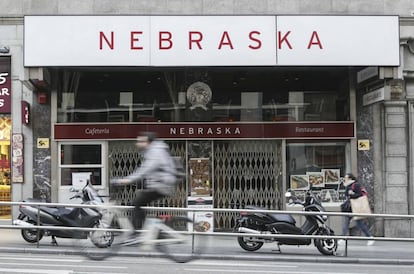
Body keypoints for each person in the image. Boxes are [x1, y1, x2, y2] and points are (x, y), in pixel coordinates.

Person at [111, 132, 176, 243]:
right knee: (140, 202)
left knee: (137, 202)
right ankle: (153, 232)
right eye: (138, 141)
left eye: (141, 141)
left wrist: (126, 180)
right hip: (158, 184)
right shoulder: (153, 151)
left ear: (149, 142)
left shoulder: (155, 152)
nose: (138, 144)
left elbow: (145, 170)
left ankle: (137, 233)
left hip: (161, 185)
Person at [339, 173, 375, 246]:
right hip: (350, 208)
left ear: (350, 178)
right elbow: (346, 195)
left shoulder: (356, 185)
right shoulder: (347, 185)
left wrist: (352, 194)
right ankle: (343, 238)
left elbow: (359, 195)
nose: (345, 179)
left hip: (355, 207)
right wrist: (348, 192)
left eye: (346, 178)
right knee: (346, 223)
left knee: (360, 224)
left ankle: (370, 237)